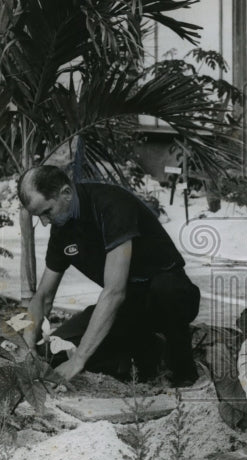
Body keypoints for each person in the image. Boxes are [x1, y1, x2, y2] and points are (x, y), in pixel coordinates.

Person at [17, 165, 201, 385]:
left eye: (47, 212)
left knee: (167, 290)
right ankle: (148, 349)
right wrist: (27, 348)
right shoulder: (61, 228)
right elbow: (43, 297)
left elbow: (114, 292)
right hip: (127, 309)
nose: (45, 223)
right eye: (40, 217)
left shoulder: (111, 204)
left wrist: (79, 360)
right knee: (53, 352)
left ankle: (183, 368)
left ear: (66, 193)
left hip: (166, 298)